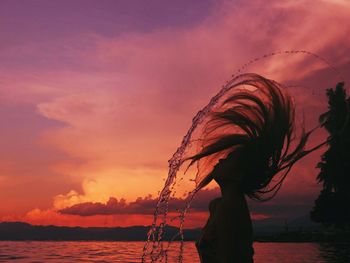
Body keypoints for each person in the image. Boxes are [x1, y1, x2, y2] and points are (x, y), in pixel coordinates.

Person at [185, 73, 324, 262]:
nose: (220, 160)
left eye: (229, 158)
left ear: (239, 174)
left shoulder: (228, 207)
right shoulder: (219, 205)